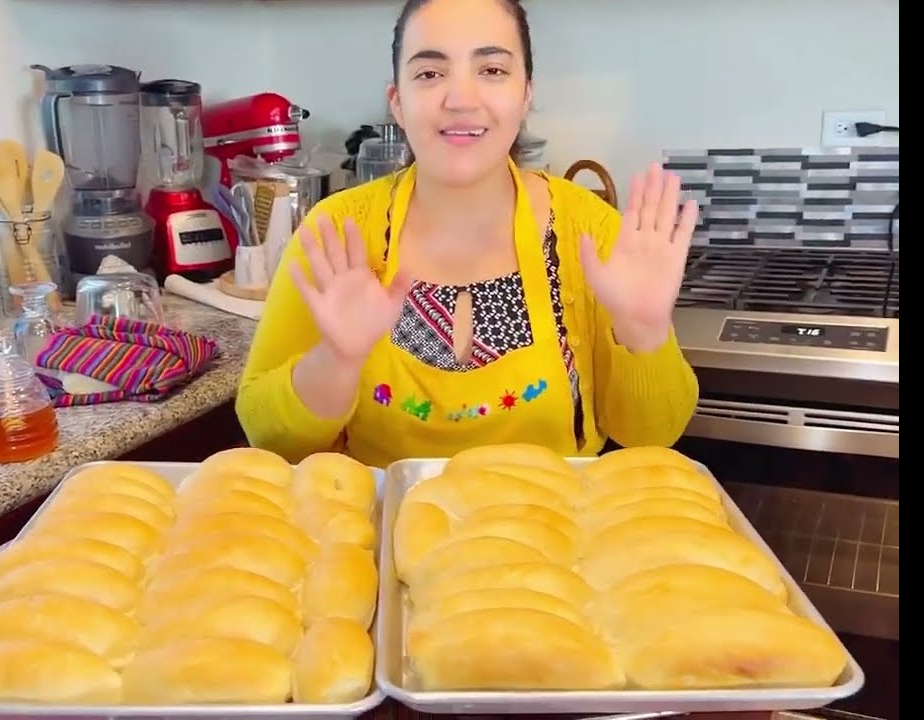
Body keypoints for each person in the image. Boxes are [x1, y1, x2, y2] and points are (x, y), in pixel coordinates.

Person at [236, 0, 700, 467]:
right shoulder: (336, 232)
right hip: (386, 535)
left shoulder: (589, 230)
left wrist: (643, 334)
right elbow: (269, 438)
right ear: (397, 101)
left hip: (553, 532)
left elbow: (653, 436)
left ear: (526, 94)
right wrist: (335, 360)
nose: (460, 99)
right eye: (430, 74)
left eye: (493, 69)